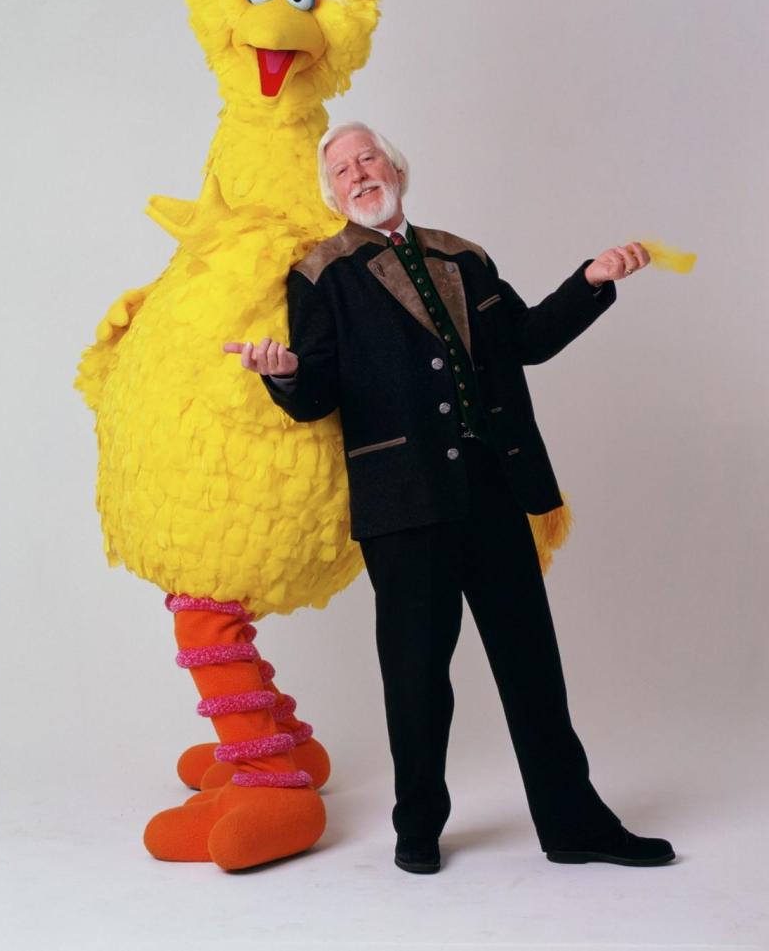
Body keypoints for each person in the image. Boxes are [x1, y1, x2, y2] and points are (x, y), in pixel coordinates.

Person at [224, 121, 675, 874]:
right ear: (331, 192)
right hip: (402, 503)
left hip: (493, 486)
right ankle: (418, 827)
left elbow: (526, 339)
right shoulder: (320, 272)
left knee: (533, 665)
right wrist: (285, 372)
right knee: (415, 675)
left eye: (367, 157)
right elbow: (319, 393)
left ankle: (573, 822)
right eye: (341, 169)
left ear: (395, 167)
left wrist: (591, 280)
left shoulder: (464, 254)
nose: (357, 172)